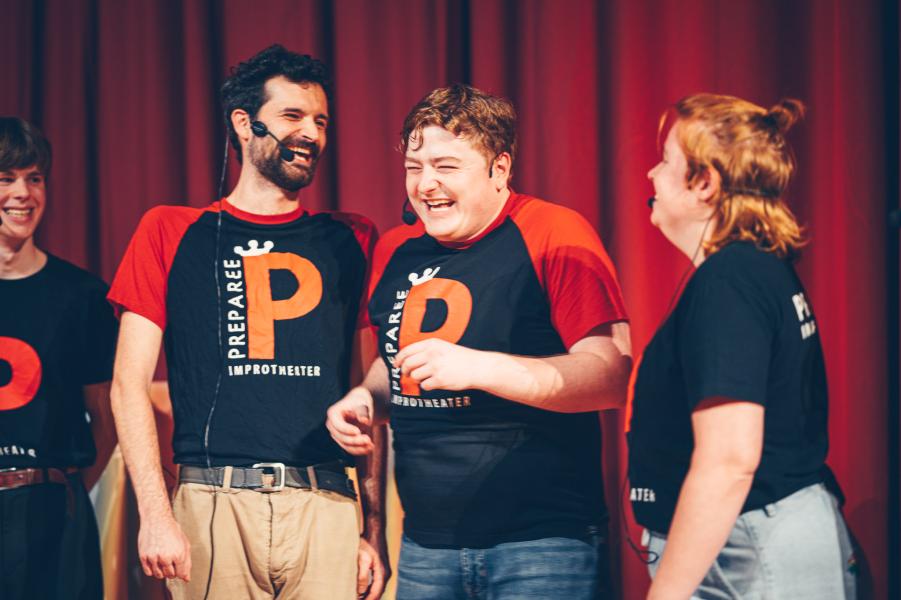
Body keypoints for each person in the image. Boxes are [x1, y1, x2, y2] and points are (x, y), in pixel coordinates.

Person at [327, 84, 632, 599]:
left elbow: (609, 376)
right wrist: (366, 398)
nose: (426, 185)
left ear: (499, 169)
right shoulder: (395, 249)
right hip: (425, 547)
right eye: (414, 166)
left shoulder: (555, 232)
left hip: (543, 545)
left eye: (446, 166)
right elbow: (393, 362)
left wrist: (479, 368)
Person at [108, 45, 388, 600]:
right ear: (244, 123)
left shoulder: (351, 239)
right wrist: (157, 515)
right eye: (293, 116)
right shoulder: (169, 231)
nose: (312, 133)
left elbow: (365, 397)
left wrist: (371, 530)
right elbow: (127, 386)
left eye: (321, 121)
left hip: (326, 504)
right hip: (212, 504)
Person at [628, 93, 857, 599]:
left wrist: (664, 594)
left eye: (666, 161)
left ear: (705, 182)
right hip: (767, 537)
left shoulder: (730, 280)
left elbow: (730, 459)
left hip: (749, 551)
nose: (651, 175)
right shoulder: (755, 271)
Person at [0, 117, 118, 599]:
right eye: (6, 178)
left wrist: (61, 485)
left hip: (55, 514)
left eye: (35, 178)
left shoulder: (83, 295)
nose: (23, 193)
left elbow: (107, 421)